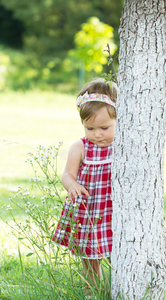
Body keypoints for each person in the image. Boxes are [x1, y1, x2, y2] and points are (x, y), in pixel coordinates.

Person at [52, 78, 117, 291]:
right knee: (89, 256)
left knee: (117, 252)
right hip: (88, 211)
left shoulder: (122, 145)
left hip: (113, 210)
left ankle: (118, 288)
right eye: (90, 128)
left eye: (104, 127)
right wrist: (72, 186)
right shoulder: (80, 147)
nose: (97, 134)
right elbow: (67, 174)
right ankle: (93, 290)